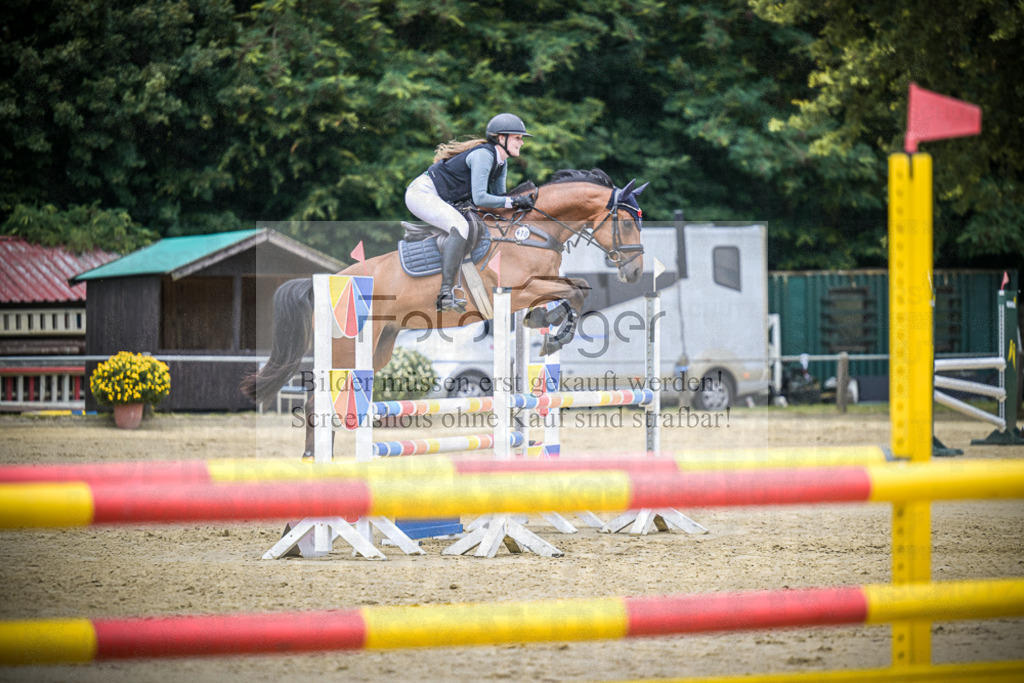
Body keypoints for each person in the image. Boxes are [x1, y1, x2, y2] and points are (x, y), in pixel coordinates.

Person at [405, 113, 535, 312]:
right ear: (502, 138)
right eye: (518, 137)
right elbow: (481, 198)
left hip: (441, 197)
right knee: (461, 226)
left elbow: (498, 198)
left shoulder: (501, 162)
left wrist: (517, 205)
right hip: (421, 193)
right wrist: (515, 200)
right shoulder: (484, 155)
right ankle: (445, 293)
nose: (522, 142)